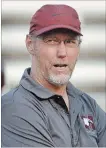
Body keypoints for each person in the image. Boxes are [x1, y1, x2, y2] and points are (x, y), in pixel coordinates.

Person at [1, 4, 106, 147]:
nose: (62, 53)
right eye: (51, 41)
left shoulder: (88, 105)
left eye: (70, 42)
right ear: (30, 44)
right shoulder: (13, 107)